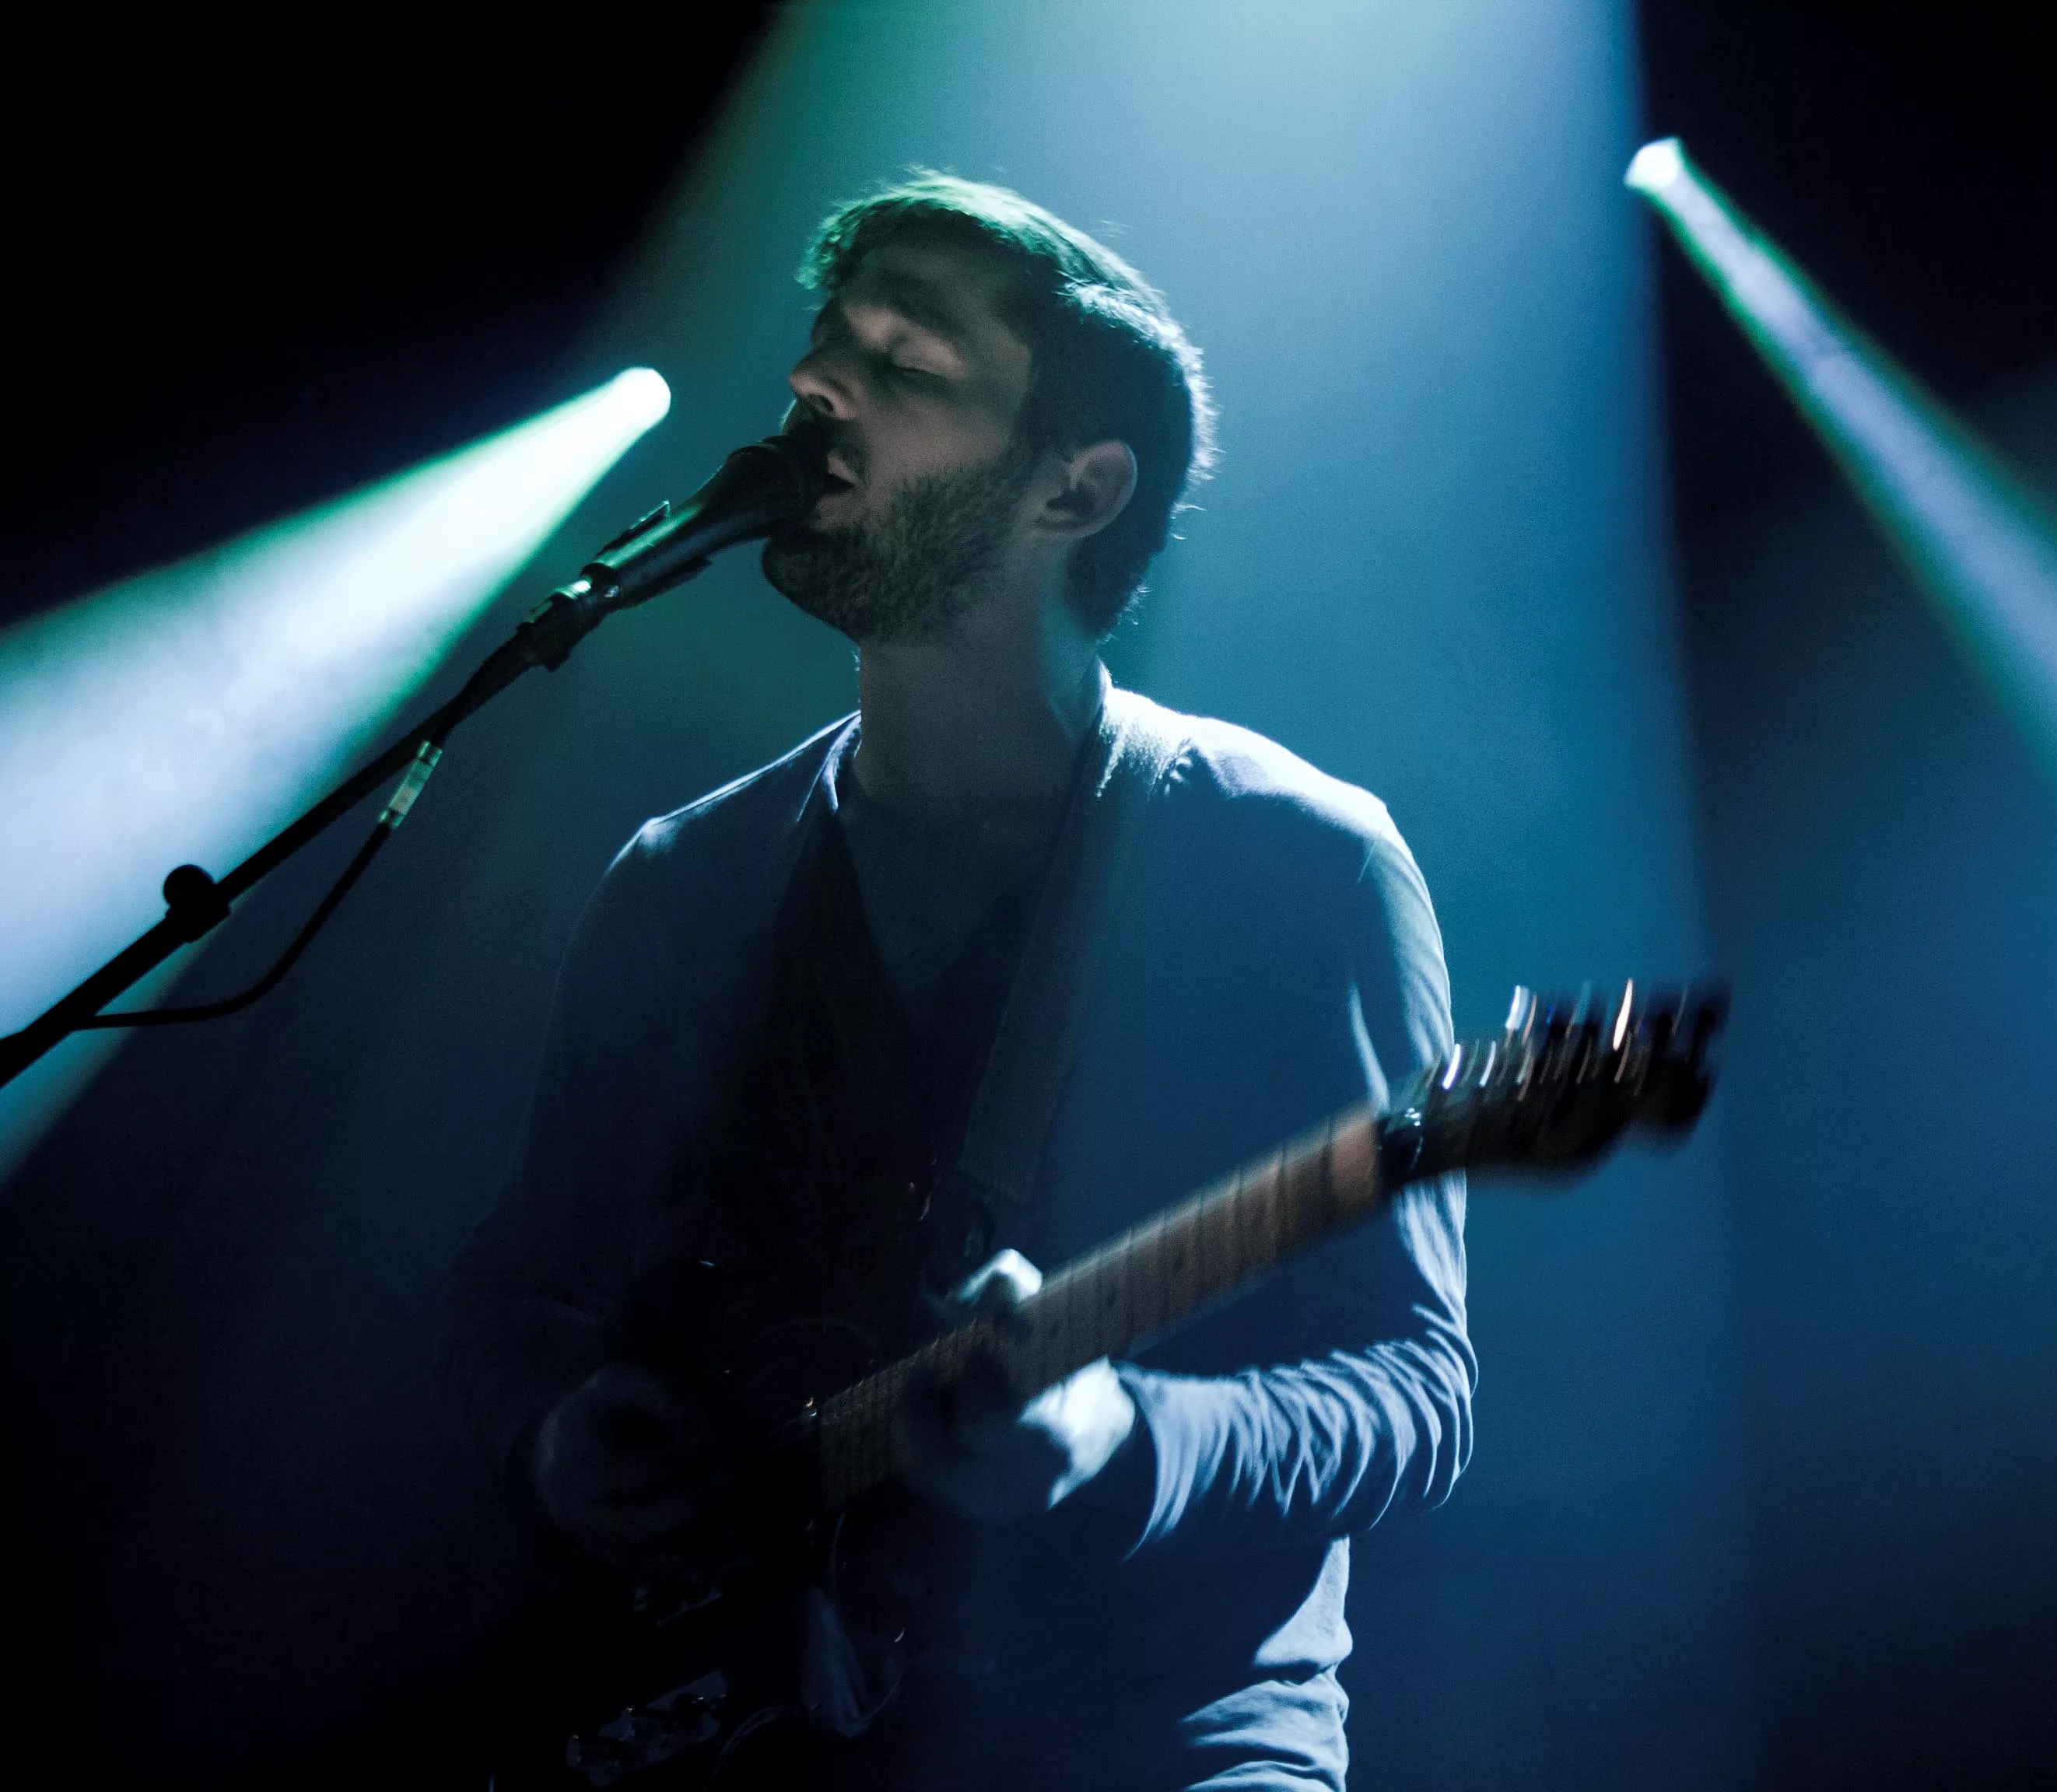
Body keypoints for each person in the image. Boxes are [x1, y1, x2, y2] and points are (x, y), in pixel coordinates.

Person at [437, 174, 1474, 1790]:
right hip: (751, 1703)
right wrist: (554, 1444)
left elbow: (1416, 1390)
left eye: (906, 365)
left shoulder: (1297, 864)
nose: (813, 388)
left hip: (1162, 1732)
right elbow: (524, 1291)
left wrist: (1131, 1439)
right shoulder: (682, 883)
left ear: (1076, 486)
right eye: (823, 346)